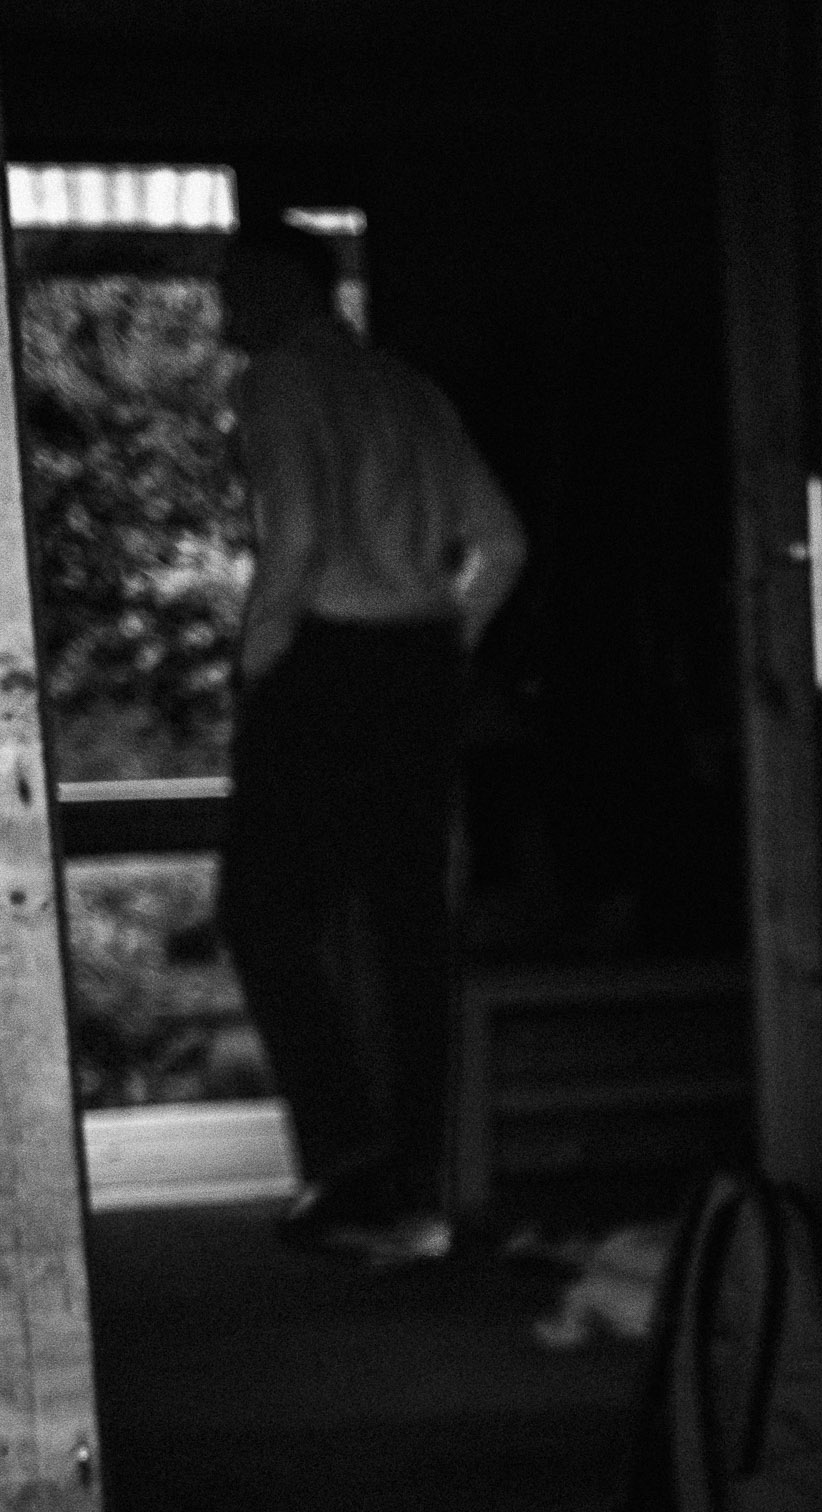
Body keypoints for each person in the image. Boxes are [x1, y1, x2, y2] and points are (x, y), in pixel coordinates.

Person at [216, 225, 527, 1264]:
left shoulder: (276, 384)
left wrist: (261, 659)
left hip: (327, 658)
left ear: (276, 287)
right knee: (404, 918)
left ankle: (351, 1155)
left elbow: (295, 533)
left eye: (232, 286)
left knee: (261, 907)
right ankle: (406, 1182)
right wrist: (445, 638)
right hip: (416, 661)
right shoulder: (410, 389)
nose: (221, 309)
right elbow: (504, 542)